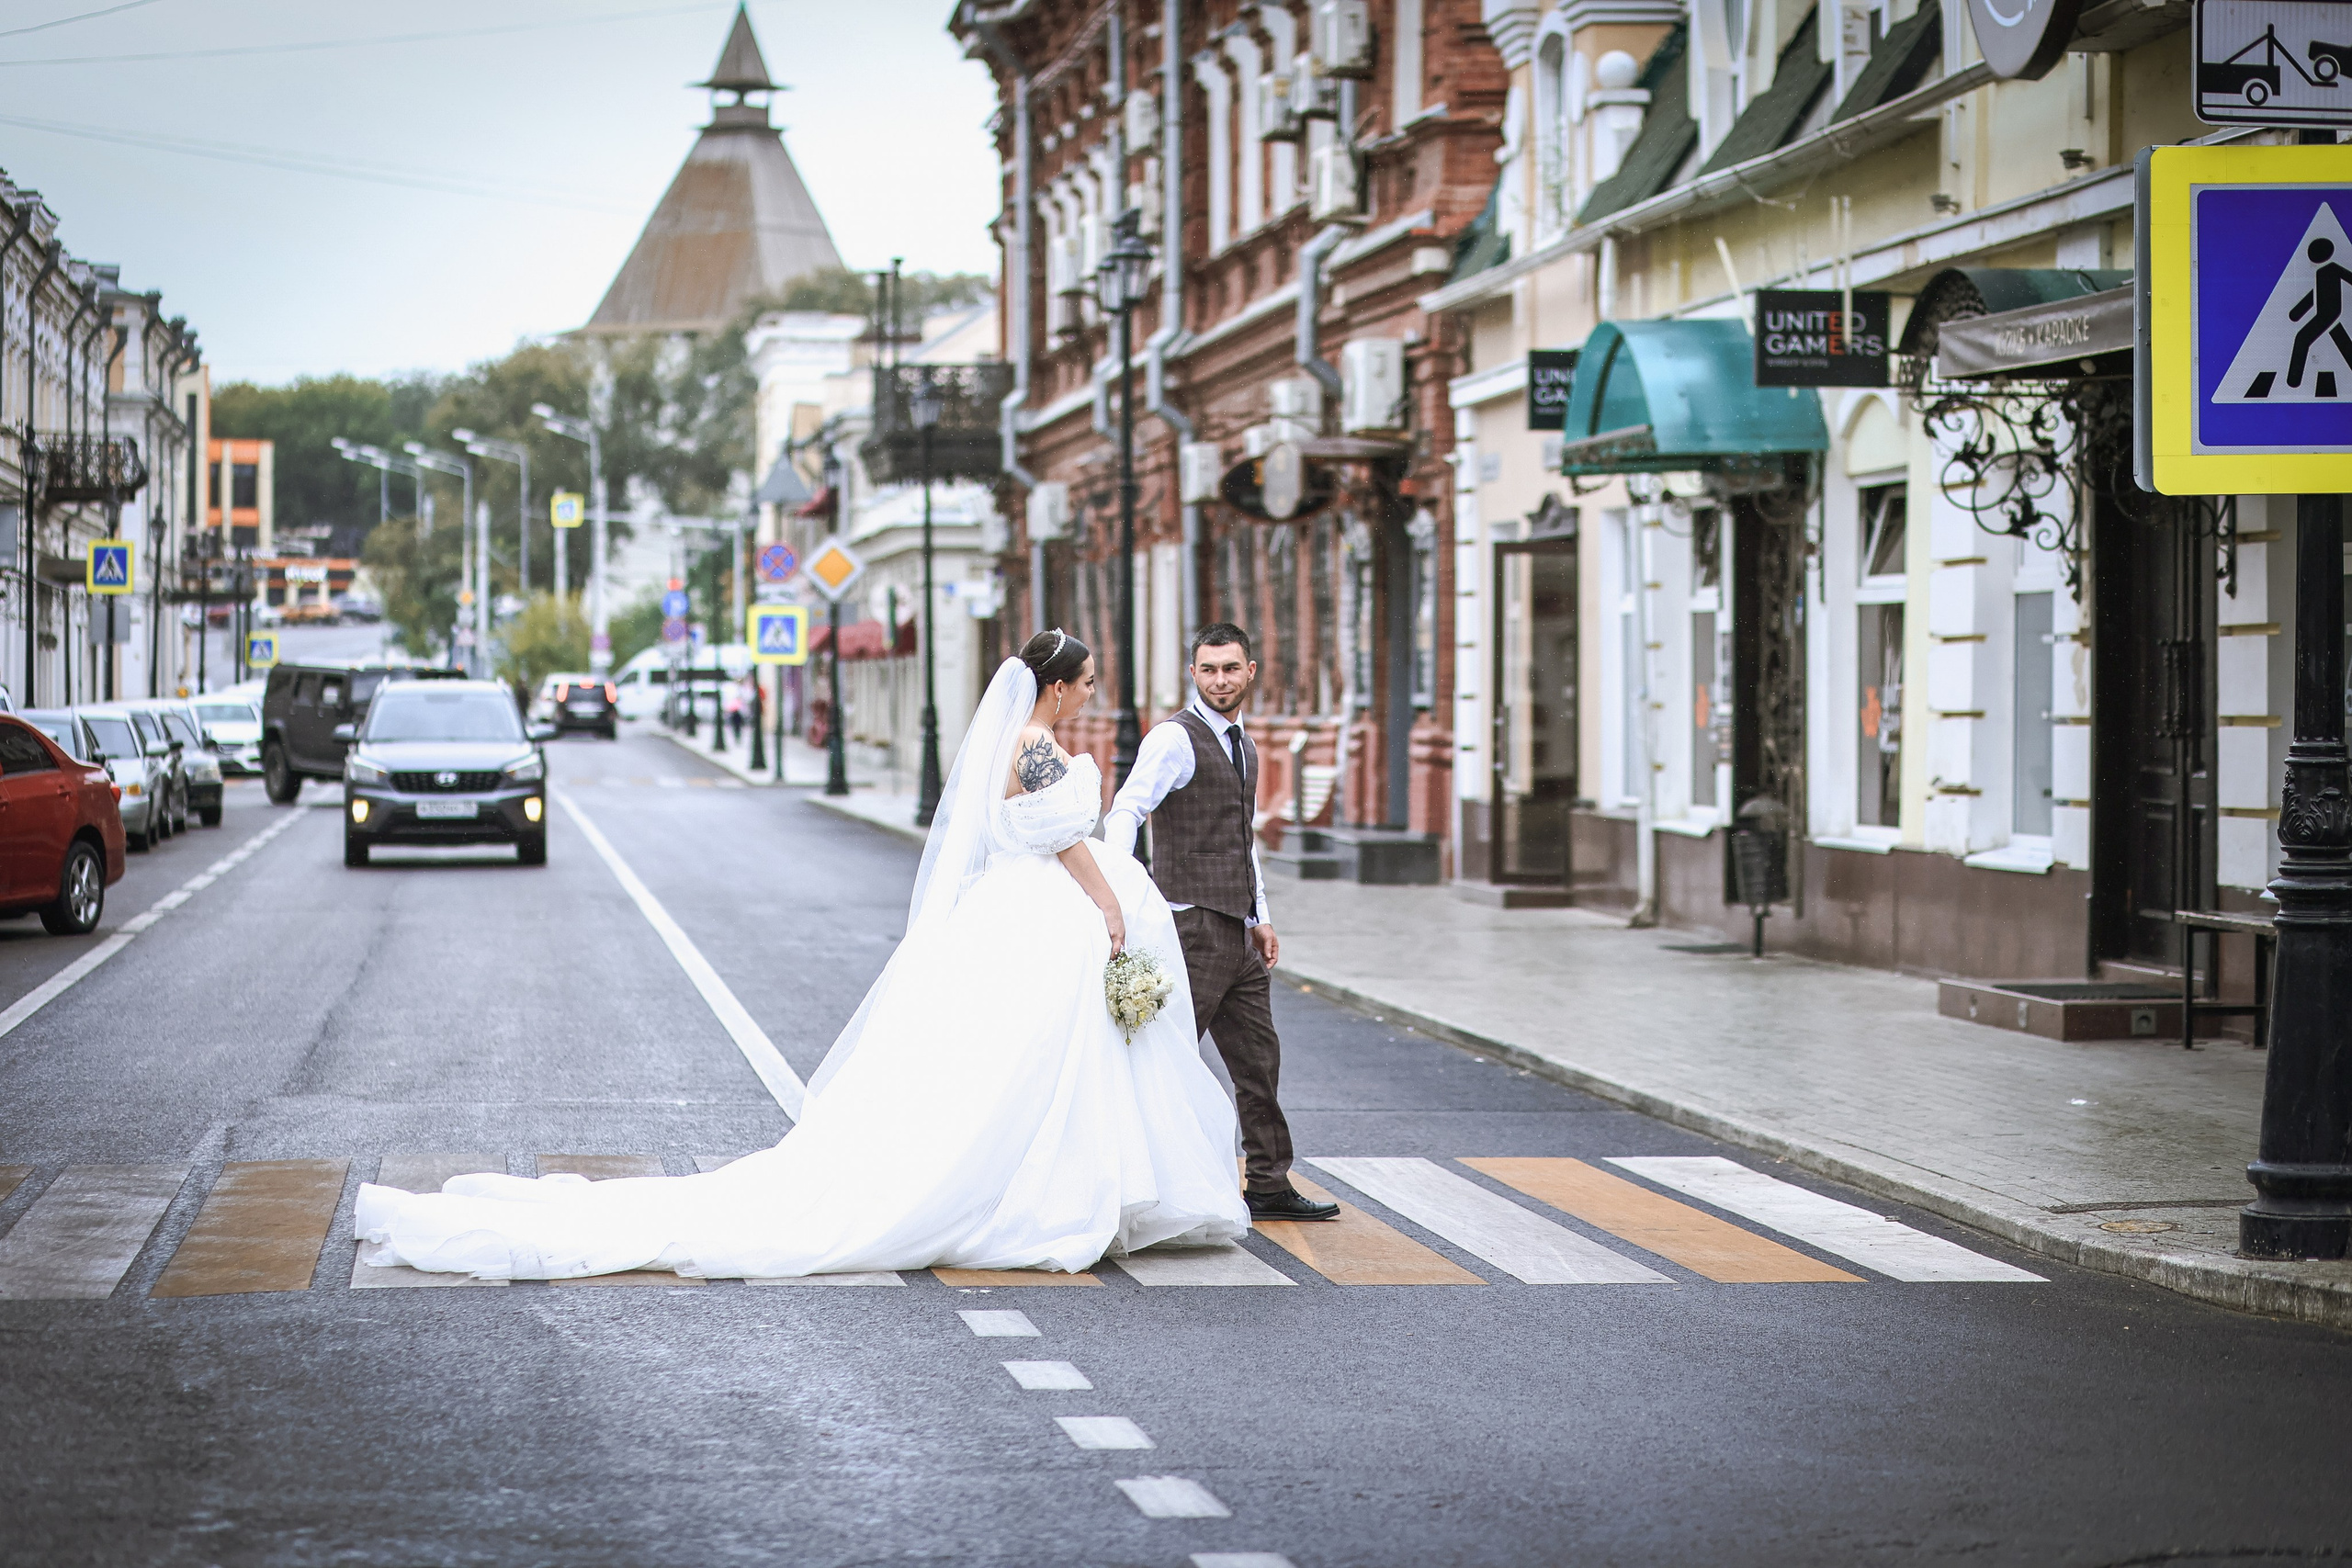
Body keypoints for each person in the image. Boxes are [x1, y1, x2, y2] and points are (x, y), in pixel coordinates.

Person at [354, 630, 1249, 1280]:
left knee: (1013, 1072)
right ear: (1055, 689)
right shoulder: (1039, 749)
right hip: (1042, 918)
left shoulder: (1007, 749)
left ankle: (1050, 1180)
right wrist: (1108, 911)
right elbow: (1065, 842)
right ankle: (1049, 1193)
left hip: (1004, 917)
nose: (1092, 693)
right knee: (1044, 1070)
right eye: (1086, 683)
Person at [1102, 623, 1340, 1223]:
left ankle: (1266, 1180)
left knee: (1260, 1058)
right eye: (1209, 669)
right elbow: (1128, 810)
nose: (1220, 680)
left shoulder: (1245, 744)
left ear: (1250, 671)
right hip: (1191, 927)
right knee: (1166, 1056)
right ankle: (1125, 1181)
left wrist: (1262, 915)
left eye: (1231, 668)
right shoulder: (1173, 740)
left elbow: (1243, 837)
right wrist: (1120, 895)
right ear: (1193, 673)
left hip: (1238, 932)